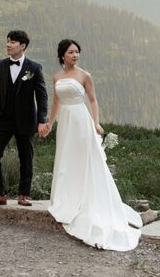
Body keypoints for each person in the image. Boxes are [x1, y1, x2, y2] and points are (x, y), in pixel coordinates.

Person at [41, 39, 141, 251]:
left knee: (83, 158)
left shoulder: (85, 76)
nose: (75, 55)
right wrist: (50, 123)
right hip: (65, 122)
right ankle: (64, 199)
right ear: (62, 56)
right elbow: (57, 102)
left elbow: (93, 100)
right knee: (66, 159)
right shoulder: (57, 77)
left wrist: (95, 122)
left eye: (77, 52)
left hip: (80, 119)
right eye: (71, 52)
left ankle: (85, 198)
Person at [0, 30, 48, 207]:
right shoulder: (0, 65)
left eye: (12, 42)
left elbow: (42, 96)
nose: (8, 45)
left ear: (22, 46)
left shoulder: (34, 68)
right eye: (7, 41)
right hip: (3, 119)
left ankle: (24, 194)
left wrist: (42, 120)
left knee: (26, 158)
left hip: (26, 120)